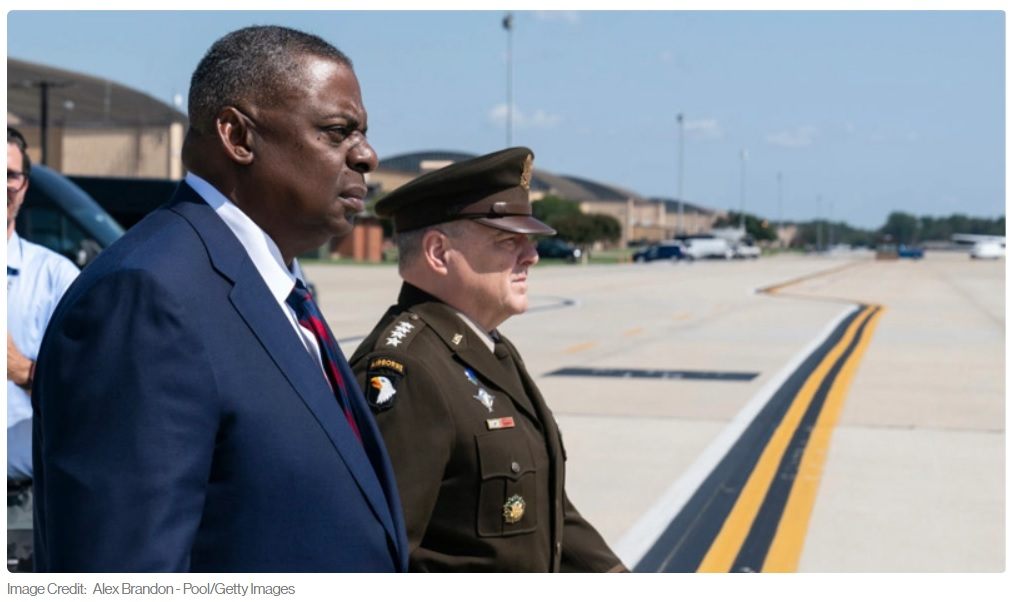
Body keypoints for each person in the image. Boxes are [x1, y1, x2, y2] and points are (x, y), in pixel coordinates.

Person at [31, 26, 407, 572]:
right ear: (237, 136)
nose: (367, 155)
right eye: (337, 132)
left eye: (363, 134)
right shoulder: (146, 298)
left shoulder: (278, 291)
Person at [350, 147, 626, 572]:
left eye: (528, 241)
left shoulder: (487, 347)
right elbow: (370, 558)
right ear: (438, 252)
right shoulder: (409, 372)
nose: (531, 255)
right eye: (508, 241)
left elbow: (546, 510)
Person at [6, 126, 80, 571]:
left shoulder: (56, 279)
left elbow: (90, 394)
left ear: (25, 186)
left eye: (10, 174)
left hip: (20, 504)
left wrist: (21, 369)